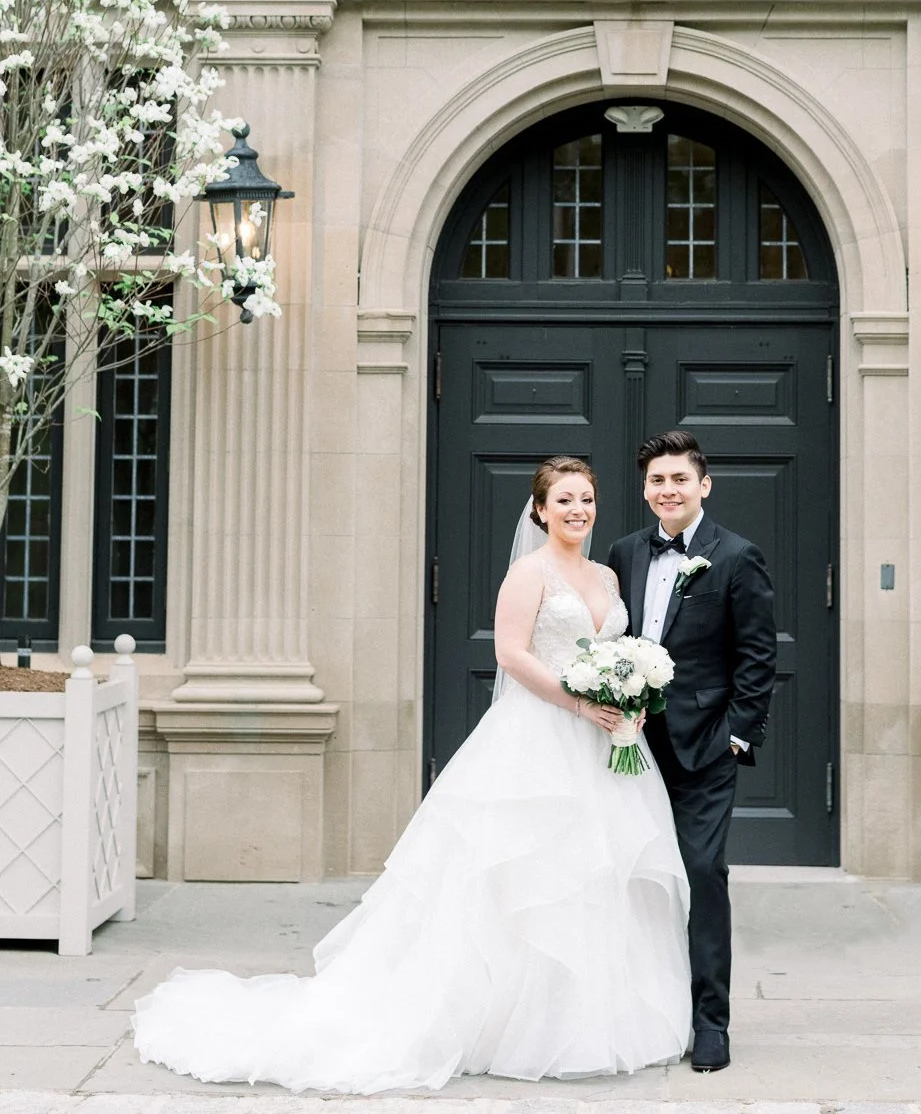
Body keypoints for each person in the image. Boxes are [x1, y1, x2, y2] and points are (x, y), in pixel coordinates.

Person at [131, 457, 691, 1093]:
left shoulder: (608, 577)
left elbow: (621, 652)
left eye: (586, 498)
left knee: (599, 875)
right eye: (563, 499)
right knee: (524, 875)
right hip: (540, 737)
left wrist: (627, 698)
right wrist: (579, 701)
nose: (577, 510)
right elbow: (510, 654)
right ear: (540, 510)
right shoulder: (527, 574)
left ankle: (590, 1021)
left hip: (607, 747)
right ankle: (503, 1021)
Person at [608, 430, 777, 1074]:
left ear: (703, 485)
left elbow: (757, 656)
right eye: (657, 480)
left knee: (702, 878)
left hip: (703, 748)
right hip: (627, 748)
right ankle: (638, 1009)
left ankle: (711, 1022)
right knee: (630, 878)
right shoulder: (625, 552)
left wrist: (736, 734)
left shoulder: (736, 556)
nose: (667, 490)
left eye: (679, 479)